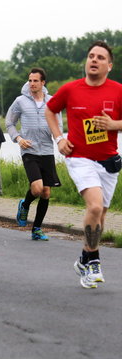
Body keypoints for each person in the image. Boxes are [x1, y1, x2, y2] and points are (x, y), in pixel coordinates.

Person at [46, 41, 122, 289]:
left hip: (108, 161)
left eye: (100, 57)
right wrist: (59, 138)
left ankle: (84, 256)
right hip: (79, 158)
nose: (94, 60)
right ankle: (94, 261)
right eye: (91, 56)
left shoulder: (118, 91)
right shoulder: (70, 89)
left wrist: (114, 125)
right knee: (95, 205)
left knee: (100, 215)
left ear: (109, 66)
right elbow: (50, 110)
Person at [6, 68, 63, 241]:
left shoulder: (52, 102)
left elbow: (58, 125)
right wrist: (18, 138)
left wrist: (60, 140)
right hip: (29, 150)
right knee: (37, 188)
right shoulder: (20, 101)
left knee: (46, 192)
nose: (32, 84)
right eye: (30, 80)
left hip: (46, 150)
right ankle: (25, 204)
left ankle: (36, 229)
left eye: (35, 81)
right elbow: (9, 122)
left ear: (43, 82)